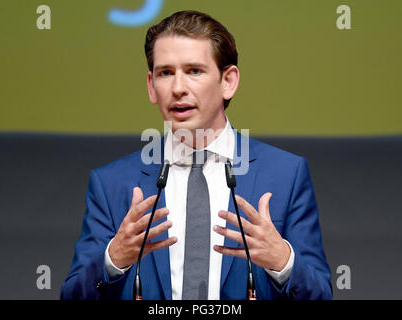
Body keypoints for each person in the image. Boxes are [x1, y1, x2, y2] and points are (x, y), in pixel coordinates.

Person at [60, 10, 332, 300]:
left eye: (194, 71)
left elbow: (320, 295)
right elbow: (72, 296)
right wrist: (112, 260)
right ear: (152, 87)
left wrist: (283, 262)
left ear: (228, 81)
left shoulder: (286, 175)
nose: (178, 88)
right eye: (166, 73)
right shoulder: (111, 183)